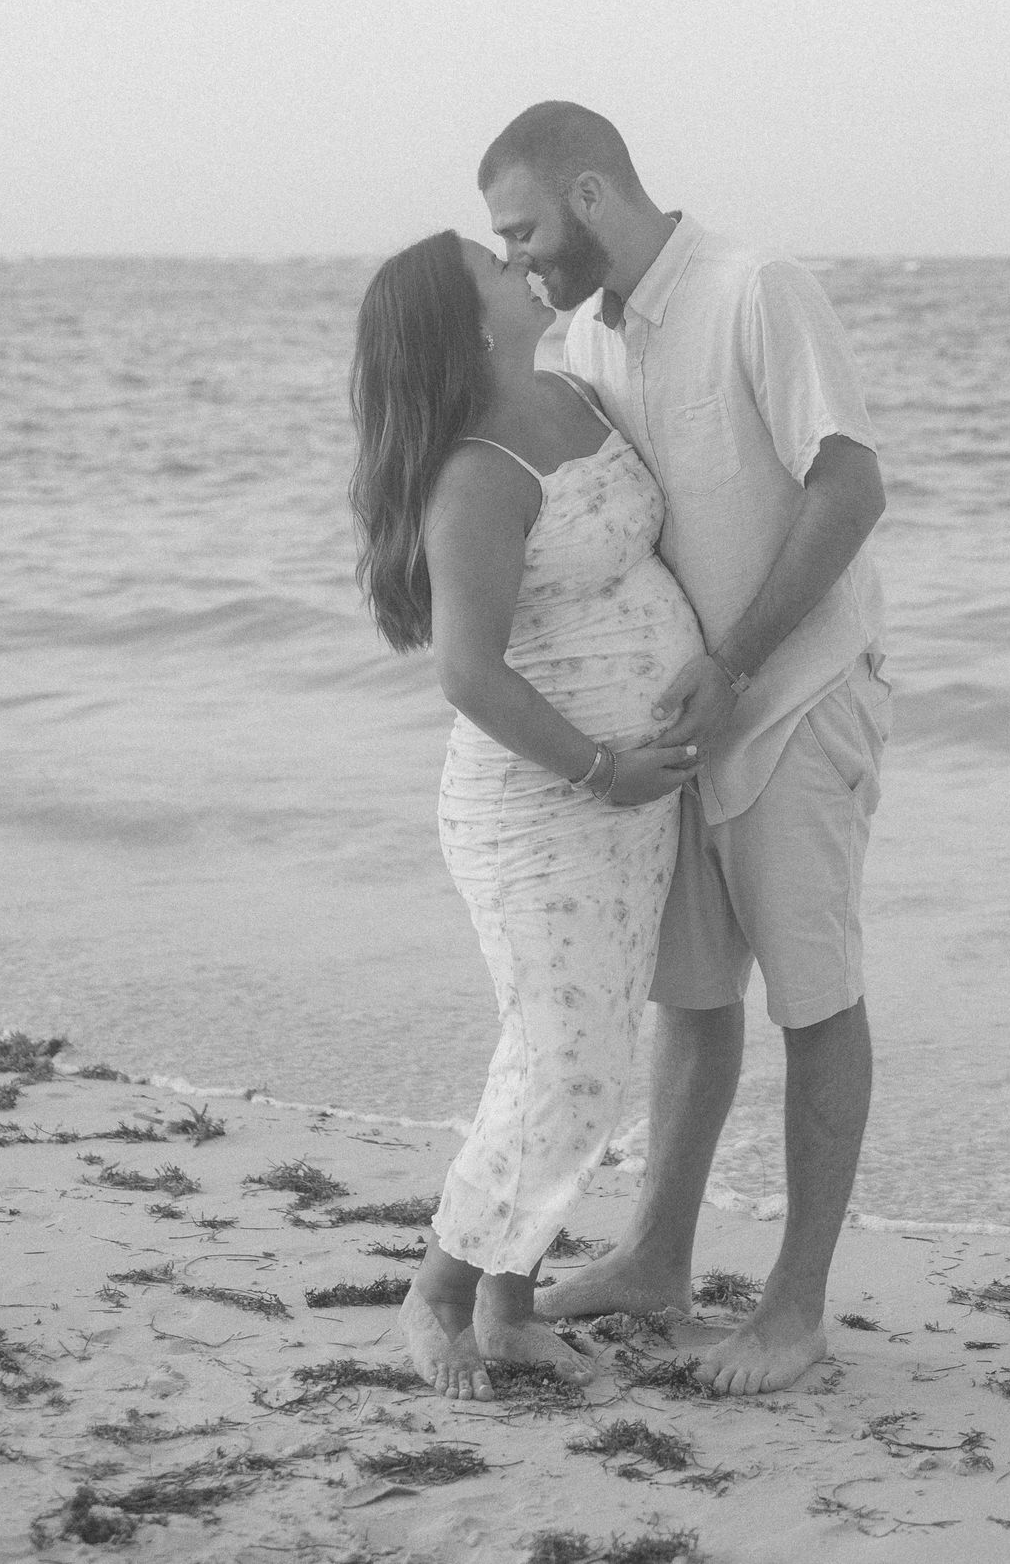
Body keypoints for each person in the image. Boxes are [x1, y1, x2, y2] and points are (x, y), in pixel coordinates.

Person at [478, 102, 891, 1395]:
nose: (516, 263)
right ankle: (658, 1255)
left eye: (524, 232)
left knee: (813, 996)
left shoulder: (753, 290)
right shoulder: (584, 339)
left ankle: (794, 1309)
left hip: (796, 694)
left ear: (591, 194)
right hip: (681, 734)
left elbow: (850, 484)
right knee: (693, 995)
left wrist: (737, 662)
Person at [349, 230, 703, 1402]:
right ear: (463, 322)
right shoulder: (477, 475)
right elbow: (469, 673)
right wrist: (602, 768)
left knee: (575, 1054)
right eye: (491, 267)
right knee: (569, 1065)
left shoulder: (568, 391)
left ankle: (507, 1302)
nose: (519, 265)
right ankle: (440, 1290)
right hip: (540, 809)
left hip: (622, 802)